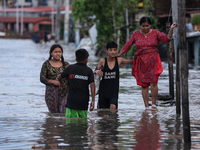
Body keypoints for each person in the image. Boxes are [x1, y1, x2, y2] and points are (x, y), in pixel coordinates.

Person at [117, 16, 177, 110]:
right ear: (140, 26)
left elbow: (166, 39)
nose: (145, 28)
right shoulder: (136, 34)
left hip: (153, 61)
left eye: (147, 26)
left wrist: (171, 29)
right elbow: (128, 44)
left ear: (150, 25)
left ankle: (153, 104)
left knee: (154, 82)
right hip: (141, 62)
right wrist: (120, 54)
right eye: (143, 26)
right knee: (144, 85)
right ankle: (146, 106)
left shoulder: (155, 33)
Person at [94, 41, 133, 110]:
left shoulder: (119, 60)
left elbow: (133, 62)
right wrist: (97, 71)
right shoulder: (102, 61)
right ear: (107, 51)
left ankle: (113, 120)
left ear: (117, 51)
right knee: (102, 111)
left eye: (114, 50)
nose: (112, 52)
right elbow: (94, 71)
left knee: (113, 108)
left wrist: (141, 57)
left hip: (113, 91)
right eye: (110, 50)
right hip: (103, 91)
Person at [57, 48, 95, 118]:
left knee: (70, 124)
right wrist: (93, 100)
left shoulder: (70, 68)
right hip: (83, 102)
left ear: (76, 59)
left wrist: (61, 83)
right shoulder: (89, 71)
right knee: (83, 124)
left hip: (72, 101)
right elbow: (92, 85)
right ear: (86, 59)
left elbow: (59, 76)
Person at [40, 44, 69, 113]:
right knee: (54, 114)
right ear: (51, 53)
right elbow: (42, 78)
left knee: (63, 111)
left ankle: (63, 124)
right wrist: (54, 82)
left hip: (65, 92)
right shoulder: (46, 64)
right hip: (51, 93)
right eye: (56, 52)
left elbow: (71, 78)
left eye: (60, 52)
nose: (58, 54)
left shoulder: (66, 65)